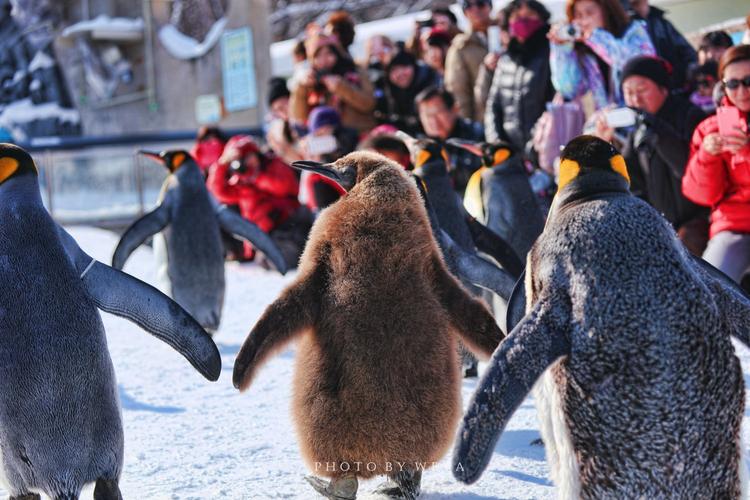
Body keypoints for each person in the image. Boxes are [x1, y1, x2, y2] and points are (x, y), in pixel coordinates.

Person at [596, 55, 708, 255]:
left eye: (642, 90)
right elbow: (630, 181)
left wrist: (657, 131)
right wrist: (607, 145)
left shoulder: (691, 116)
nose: (635, 99)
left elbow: (690, 170)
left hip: (699, 220)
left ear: (663, 88)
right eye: (629, 93)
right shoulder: (638, 129)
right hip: (662, 224)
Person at [682, 45, 750, 284]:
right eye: (733, 84)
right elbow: (701, 194)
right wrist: (707, 156)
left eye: (748, 81)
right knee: (712, 287)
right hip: (733, 224)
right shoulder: (709, 128)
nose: (742, 90)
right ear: (723, 86)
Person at [206, 135, 301, 263]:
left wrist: (256, 177)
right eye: (241, 159)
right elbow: (217, 192)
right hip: (259, 235)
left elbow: (286, 187)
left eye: (248, 156)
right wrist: (221, 164)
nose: (246, 162)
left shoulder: (273, 164)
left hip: (285, 226)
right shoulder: (241, 181)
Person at [549, 0, 655, 111]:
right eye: (578, 15)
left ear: (607, 10)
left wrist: (594, 36)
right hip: (609, 124)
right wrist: (562, 49)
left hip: (645, 119)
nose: (584, 21)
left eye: (589, 13)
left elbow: (633, 66)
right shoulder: (585, 48)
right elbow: (569, 89)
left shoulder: (634, 32)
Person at [483, 0, 554, 152]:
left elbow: (555, 105)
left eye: (529, 15)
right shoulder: (505, 59)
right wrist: (497, 143)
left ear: (541, 18)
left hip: (544, 150)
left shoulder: (552, 54)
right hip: (511, 154)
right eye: (517, 16)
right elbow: (493, 106)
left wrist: (538, 143)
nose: (522, 21)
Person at [289, 33, 376, 133]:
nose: (324, 59)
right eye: (318, 55)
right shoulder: (311, 81)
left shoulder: (356, 72)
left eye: (328, 53)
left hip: (359, 134)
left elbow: (369, 104)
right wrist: (302, 87)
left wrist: (342, 88)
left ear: (337, 53)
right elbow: (298, 116)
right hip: (327, 140)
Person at [416, 86, 484, 194]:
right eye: (427, 115)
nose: (432, 121)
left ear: (455, 109)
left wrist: (451, 167)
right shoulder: (422, 145)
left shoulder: (476, 136)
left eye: (437, 113)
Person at [627, 0, 696, 90]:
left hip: (674, 88)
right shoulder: (625, 27)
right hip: (645, 89)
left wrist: (689, 76)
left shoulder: (662, 23)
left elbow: (688, 53)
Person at [445, 0, 493, 122]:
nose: (475, 9)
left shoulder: (510, 34)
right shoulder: (460, 47)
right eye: (468, 6)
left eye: (480, 3)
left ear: (490, 6)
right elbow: (459, 93)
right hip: (485, 120)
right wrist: (469, 126)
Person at [373, 49, 438, 136]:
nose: (400, 73)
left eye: (404, 66)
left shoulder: (432, 85)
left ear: (414, 67)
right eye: (394, 70)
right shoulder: (389, 92)